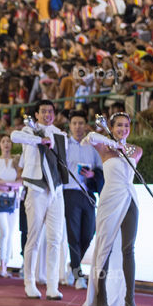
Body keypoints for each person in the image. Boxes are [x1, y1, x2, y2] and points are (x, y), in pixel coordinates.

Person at [72, 112, 142, 306]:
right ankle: (101, 297)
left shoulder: (136, 150)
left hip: (129, 197)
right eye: (118, 125)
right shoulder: (103, 147)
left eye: (126, 125)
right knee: (105, 246)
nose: (123, 129)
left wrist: (122, 147)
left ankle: (130, 299)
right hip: (109, 197)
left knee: (128, 248)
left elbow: (131, 153)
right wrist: (114, 143)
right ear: (111, 128)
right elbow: (89, 138)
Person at [11, 100, 68, 300]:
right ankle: (30, 282)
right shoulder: (28, 131)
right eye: (43, 111)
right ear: (36, 114)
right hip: (35, 189)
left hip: (56, 190)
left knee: (55, 238)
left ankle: (52, 285)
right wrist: (39, 140)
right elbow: (13, 136)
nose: (47, 115)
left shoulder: (60, 134)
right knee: (33, 238)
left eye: (50, 111)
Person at [62, 111, 102, 290]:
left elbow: (100, 169)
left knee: (88, 234)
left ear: (86, 125)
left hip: (87, 193)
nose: (78, 127)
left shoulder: (92, 146)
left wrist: (93, 174)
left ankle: (73, 266)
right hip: (69, 192)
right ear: (70, 126)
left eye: (81, 123)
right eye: (75, 123)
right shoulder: (64, 145)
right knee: (73, 236)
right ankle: (79, 276)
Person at [0, 134, 22, 278]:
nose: (6, 144)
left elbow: (21, 180)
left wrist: (6, 184)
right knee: (5, 231)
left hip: (14, 199)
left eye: (8, 141)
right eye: (3, 141)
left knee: (10, 233)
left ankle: (6, 265)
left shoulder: (16, 160)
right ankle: (2, 266)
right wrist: (7, 185)